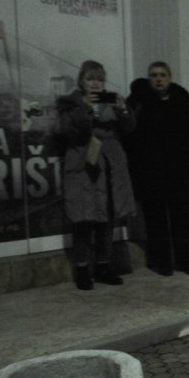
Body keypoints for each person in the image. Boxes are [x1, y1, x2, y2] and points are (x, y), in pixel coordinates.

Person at [56, 60, 136, 290]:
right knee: (83, 219)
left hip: (109, 166)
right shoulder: (70, 103)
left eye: (99, 79)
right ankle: (82, 269)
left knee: (106, 220)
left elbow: (129, 127)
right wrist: (86, 109)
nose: (95, 83)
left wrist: (123, 110)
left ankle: (103, 266)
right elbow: (65, 130)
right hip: (83, 166)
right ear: (81, 81)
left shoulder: (110, 100)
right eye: (90, 78)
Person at [126, 61, 189, 276]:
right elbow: (131, 135)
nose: (158, 79)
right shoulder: (140, 102)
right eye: (153, 75)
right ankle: (162, 262)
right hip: (151, 173)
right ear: (148, 79)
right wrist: (141, 163)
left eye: (162, 75)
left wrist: (187, 158)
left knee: (181, 220)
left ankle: (184, 260)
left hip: (178, 173)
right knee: (156, 221)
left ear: (169, 78)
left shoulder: (181, 102)